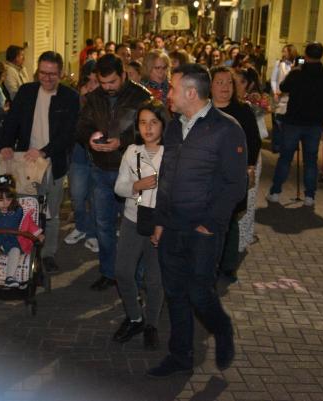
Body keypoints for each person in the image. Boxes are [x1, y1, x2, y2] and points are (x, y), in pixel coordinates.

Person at [147, 64, 246, 378]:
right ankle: (181, 356)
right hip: (172, 227)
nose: (168, 94)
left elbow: (236, 185)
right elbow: (167, 176)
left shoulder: (227, 129)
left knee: (199, 294)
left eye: (173, 89)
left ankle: (222, 327)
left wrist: (212, 223)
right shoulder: (175, 127)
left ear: (191, 92)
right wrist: (160, 220)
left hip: (203, 231)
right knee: (175, 293)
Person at [0, 51, 79, 273]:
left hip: (53, 163)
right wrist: (6, 144)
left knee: (50, 213)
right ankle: (23, 250)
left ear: (61, 73)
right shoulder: (26, 92)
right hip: (27, 163)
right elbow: (11, 121)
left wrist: (45, 152)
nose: (47, 78)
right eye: (43, 73)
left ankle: (47, 254)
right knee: (26, 209)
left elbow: (68, 134)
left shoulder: (70, 98)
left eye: (52, 74)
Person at [78, 54, 151, 291]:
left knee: (134, 227)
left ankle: (136, 277)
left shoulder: (143, 98)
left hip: (132, 173)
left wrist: (122, 142)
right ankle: (108, 272)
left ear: (124, 75)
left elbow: (151, 132)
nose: (107, 87)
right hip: (101, 169)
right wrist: (90, 137)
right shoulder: (94, 97)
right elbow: (81, 126)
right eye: (103, 82)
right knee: (103, 225)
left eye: (112, 82)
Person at [112, 99, 167, 350]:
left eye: (154, 122)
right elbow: (119, 187)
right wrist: (136, 186)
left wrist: (164, 224)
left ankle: (152, 324)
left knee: (155, 280)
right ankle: (135, 317)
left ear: (163, 125)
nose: (148, 128)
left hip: (160, 225)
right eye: (143, 122)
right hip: (133, 220)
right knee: (123, 271)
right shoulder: (131, 152)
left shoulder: (172, 154)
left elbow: (176, 194)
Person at [266, 42, 323, 207]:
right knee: (310, 161)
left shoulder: (297, 72)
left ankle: (275, 192)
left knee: (285, 158)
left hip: (294, 121)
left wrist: (296, 69)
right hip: (315, 123)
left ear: (306, 55)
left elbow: (284, 86)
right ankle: (310, 196)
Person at [210, 66, 261, 280]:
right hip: (208, 175)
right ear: (210, 85)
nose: (225, 87)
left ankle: (228, 265)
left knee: (230, 219)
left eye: (229, 83)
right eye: (219, 82)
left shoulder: (243, 111)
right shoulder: (202, 110)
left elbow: (254, 141)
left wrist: (249, 166)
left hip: (233, 175)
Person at [0, 175, 44, 290]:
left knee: (15, 252)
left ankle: (9, 278)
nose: (5, 203)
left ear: (13, 199)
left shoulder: (19, 211)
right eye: (1, 200)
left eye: (8, 200)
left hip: (13, 241)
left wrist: (37, 234)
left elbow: (28, 223)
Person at [63, 73, 100, 253]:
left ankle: (93, 233)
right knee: (77, 195)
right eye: (89, 81)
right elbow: (71, 125)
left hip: (98, 156)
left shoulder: (104, 101)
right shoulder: (77, 100)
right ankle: (81, 226)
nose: (92, 85)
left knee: (95, 196)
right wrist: (80, 100)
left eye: (96, 82)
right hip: (79, 154)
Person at [270, 44, 297, 153]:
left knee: (288, 123)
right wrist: (275, 91)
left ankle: (287, 144)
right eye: (283, 51)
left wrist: (295, 68)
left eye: (285, 51)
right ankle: (277, 145)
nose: (283, 54)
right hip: (279, 95)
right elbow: (273, 79)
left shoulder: (296, 64)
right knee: (278, 121)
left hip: (291, 97)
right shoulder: (279, 63)